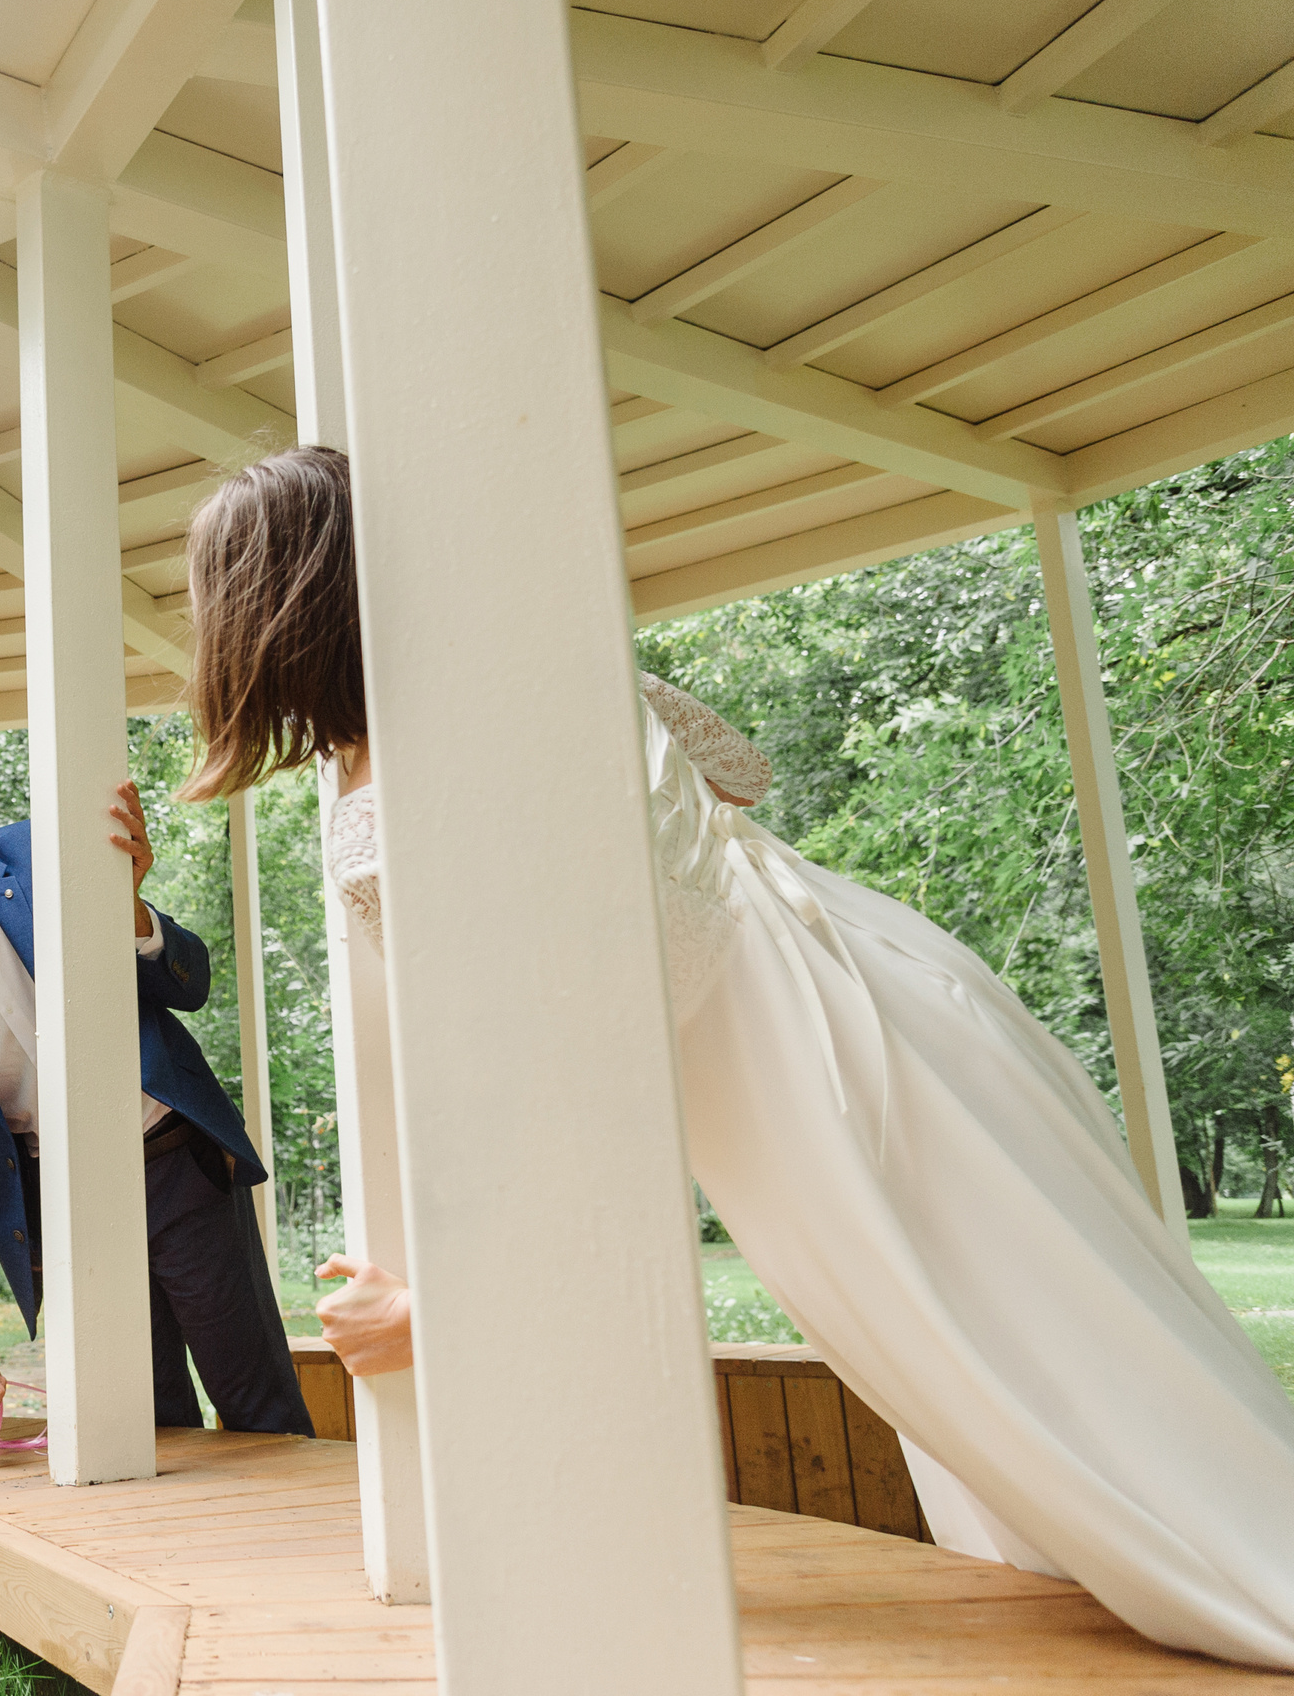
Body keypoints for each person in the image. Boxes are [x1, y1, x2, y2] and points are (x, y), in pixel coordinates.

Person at [176, 443, 1294, 1669]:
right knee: (1063, 1316)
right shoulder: (529, 669)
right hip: (880, 974)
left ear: (269, 610)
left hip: (800, 1072)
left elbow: (561, 1076)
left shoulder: (405, 799)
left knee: (1014, 1331)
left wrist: (447, 1305)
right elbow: (741, 777)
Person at [0, 752, 312, 1437]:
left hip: (176, 1163)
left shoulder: (41, 850)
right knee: (143, 1423)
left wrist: (130, 908)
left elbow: (189, 986)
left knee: (262, 1409)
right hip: (60, 1205)